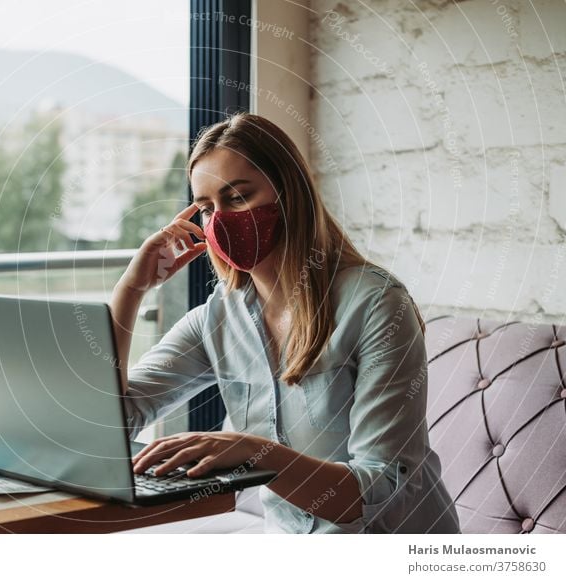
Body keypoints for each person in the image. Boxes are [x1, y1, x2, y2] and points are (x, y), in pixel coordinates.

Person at [109, 112, 460, 534]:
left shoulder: (377, 305)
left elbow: (376, 490)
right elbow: (110, 421)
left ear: (289, 193)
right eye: (205, 208)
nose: (219, 220)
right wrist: (131, 290)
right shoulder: (219, 318)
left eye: (237, 197)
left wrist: (252, 452)